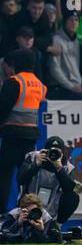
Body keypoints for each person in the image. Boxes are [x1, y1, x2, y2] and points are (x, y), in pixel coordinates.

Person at [0, 49, 47, 214]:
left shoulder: (14, 82)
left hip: (12, 135)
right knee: (26, 178)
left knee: (4, 174)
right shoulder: (40, 85)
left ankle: (2, 213)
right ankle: (28, 213)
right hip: (30, 137)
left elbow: (3, 108)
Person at [17, 136, 79, 227]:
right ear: (45, 150)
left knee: (73, 197)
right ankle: (23, 221)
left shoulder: (66, 167)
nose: (53, 155)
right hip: (29, 205)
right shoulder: (33, 157)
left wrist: (59, 168)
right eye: (50, 151)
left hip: (52, 209)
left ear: (62, 153)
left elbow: (69, 190)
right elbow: (20, 180)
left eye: (57, 152)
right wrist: (36, 165)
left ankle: (56, 225)